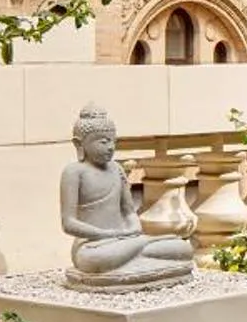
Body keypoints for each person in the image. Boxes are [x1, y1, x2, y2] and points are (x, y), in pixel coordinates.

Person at [60, 106, 193, 289]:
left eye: (113, 141)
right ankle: (141, 256)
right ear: (79, 144)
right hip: (93, 245)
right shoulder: (74, 172)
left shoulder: (116, 169)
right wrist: (107, 234)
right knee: (96, 261)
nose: (111, 147)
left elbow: (129, 211)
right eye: (103, 142)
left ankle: (136, 260)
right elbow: (69, 223)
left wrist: (134, 229)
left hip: (125, 240)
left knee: (182, 248)